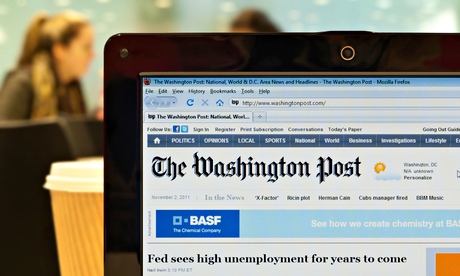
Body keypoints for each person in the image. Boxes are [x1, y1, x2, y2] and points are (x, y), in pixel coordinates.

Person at [0, 11, 94, 120]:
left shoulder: (73, 87)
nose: (92, 54)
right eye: (86, 47)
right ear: (60, 50)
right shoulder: (21, 82)